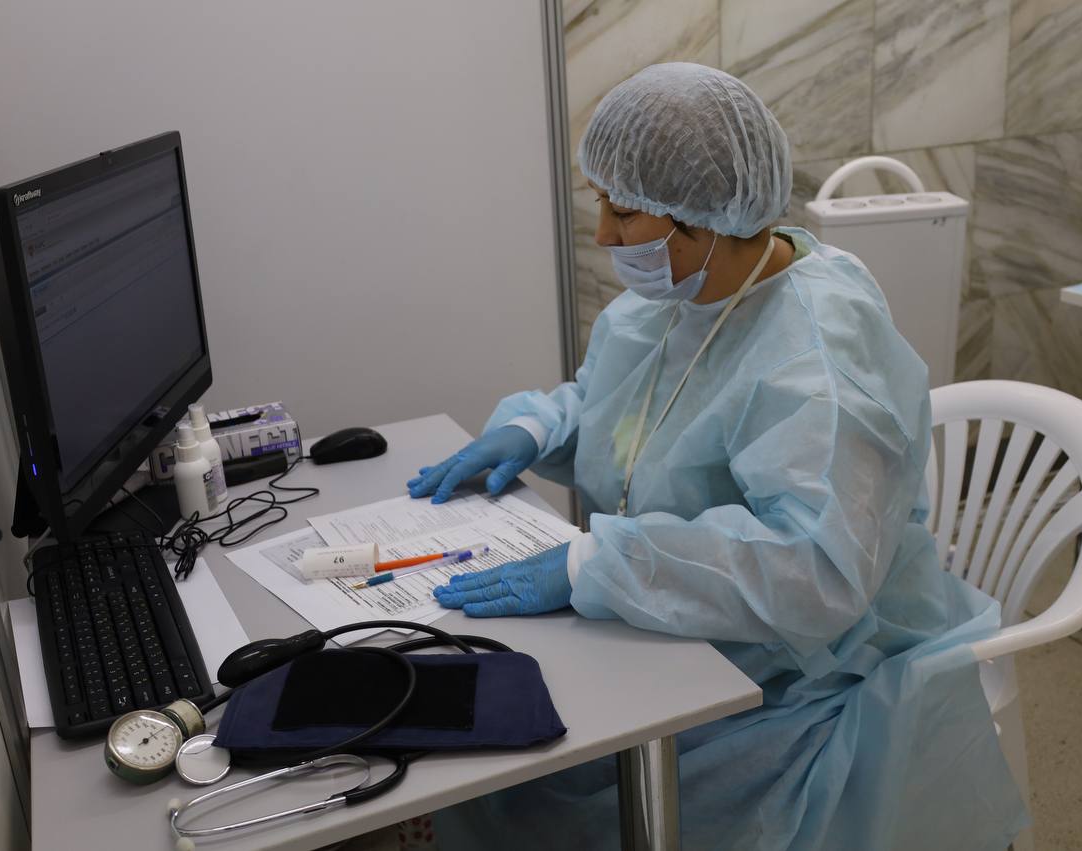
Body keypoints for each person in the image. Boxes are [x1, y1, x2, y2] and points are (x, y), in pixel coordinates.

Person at [406, 62, 1027, 850]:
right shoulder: (678, 297)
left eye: (623, 211)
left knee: (552, 789)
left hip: (806, 675)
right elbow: (625, 410)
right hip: (685, 625)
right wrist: (539, 428)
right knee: (507, 743)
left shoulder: (814, 359)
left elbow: (817, 568)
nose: (602, 236)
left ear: (704, 218)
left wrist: (600, 563)